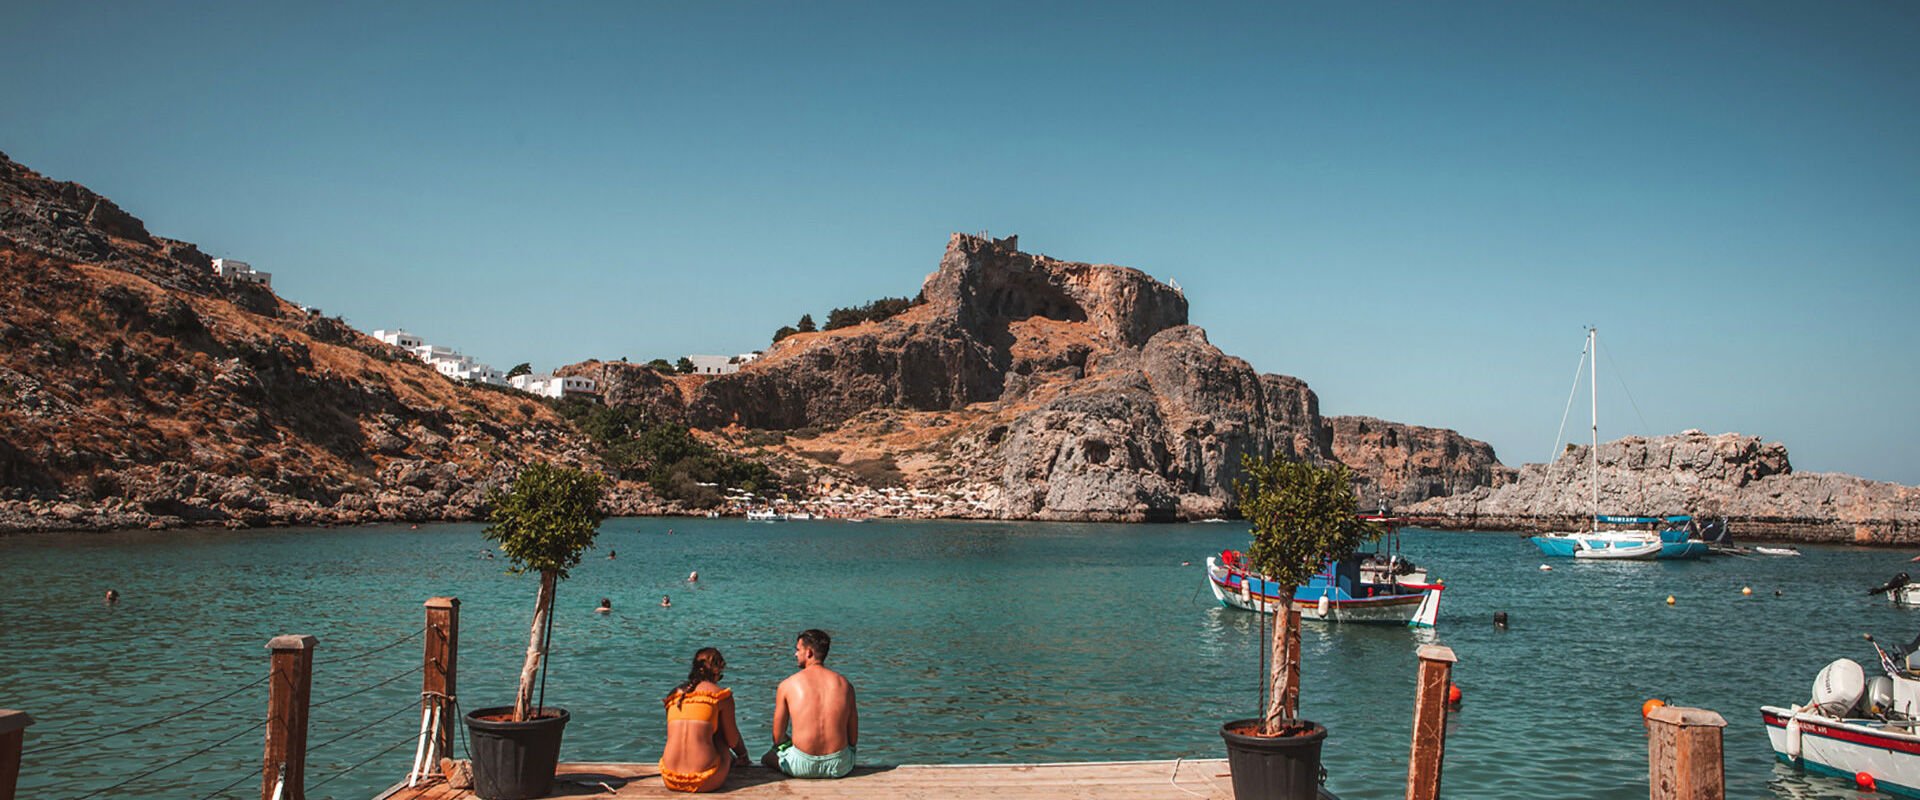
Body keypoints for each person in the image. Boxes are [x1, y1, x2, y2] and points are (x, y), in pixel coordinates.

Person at [763, 629, 857, 779]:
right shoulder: (845, 685)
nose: (795, 654)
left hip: (801, 765)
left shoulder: (787, 685)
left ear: (809, 653)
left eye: (798, 650)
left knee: (768, 757)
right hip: (840, 765)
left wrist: (791, 743)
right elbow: (853, 739)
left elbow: (777, 737)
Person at [658, 648, 749, 792]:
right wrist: (743, 755)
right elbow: (732, 740)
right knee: (721, 734)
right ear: (717, 672)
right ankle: (741, 759)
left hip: (669, 778)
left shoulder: (674, 696)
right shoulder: (720, 696)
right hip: (704, 780)